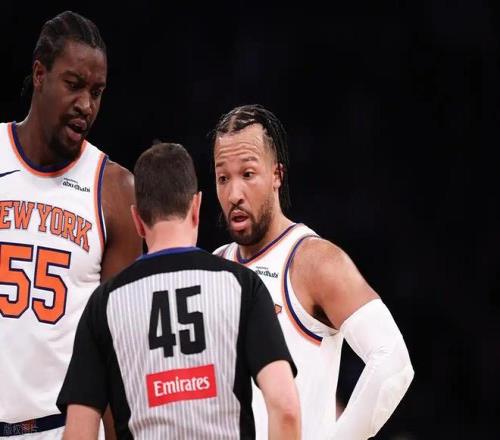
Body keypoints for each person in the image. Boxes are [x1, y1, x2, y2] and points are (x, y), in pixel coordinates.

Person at [56, 142, 301, 439]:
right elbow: (286, 408)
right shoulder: (242, 286)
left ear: (137, 220)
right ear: (196, 207)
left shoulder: (104, 304)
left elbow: (79, 432)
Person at [212, 104, 415, 439]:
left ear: (277, 175)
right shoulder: (213, 266)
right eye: (223, 178)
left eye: (247, 174)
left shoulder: (314, 261)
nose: (234, 194)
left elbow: (393, 363)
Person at [0, 11, 142, 438]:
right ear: (39, 75)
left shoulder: (115, 190)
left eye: (96, 92)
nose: (86, 105)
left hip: (63, 428)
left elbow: (117, 351)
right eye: (74, 85)